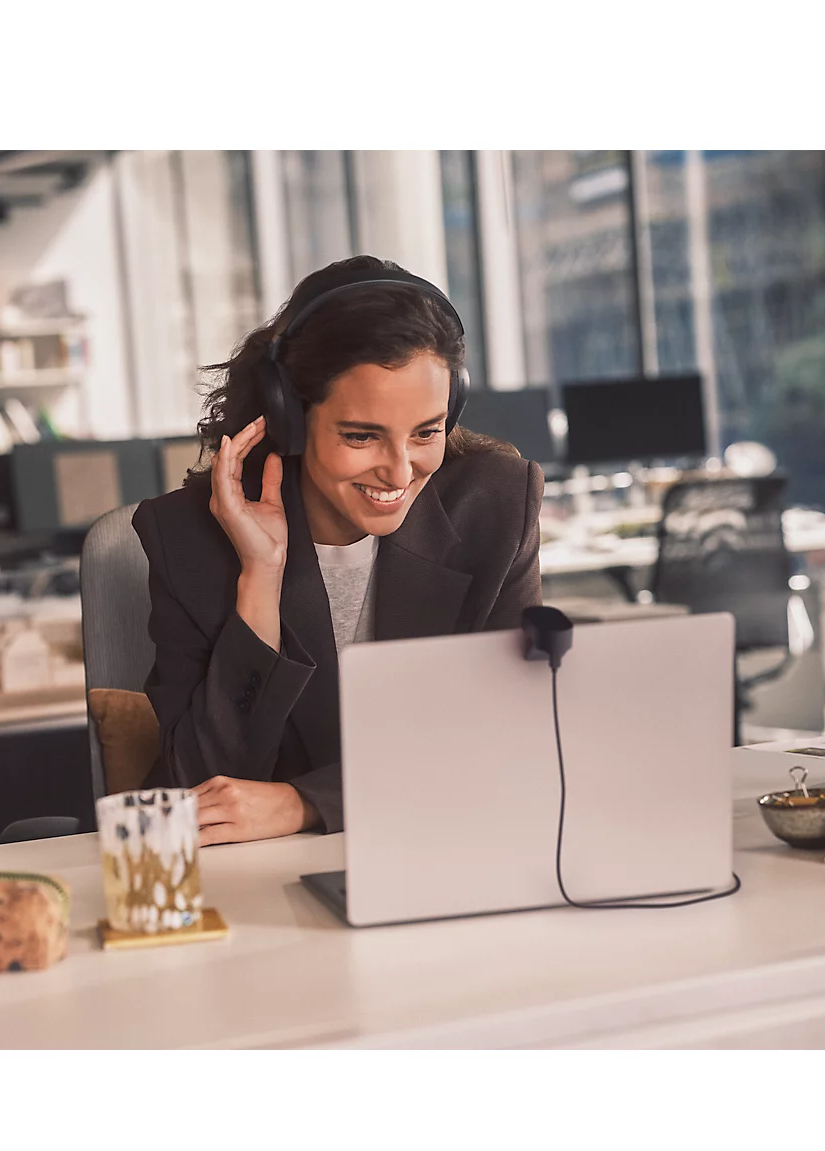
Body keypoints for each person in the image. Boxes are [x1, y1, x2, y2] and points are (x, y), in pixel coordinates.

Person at [131, 256, 543, 846]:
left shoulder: (495, 507)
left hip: (452, 850)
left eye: (426, 432)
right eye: (362, 435)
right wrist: (260, 578)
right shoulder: (187, 541)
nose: (400, 470)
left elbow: (513, 740)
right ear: (290, 417)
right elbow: (197, 793)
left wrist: (307, 802)